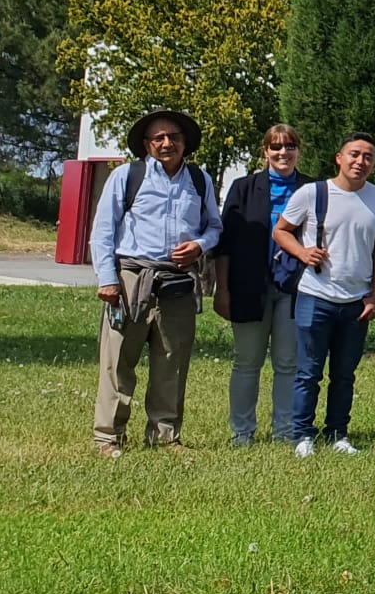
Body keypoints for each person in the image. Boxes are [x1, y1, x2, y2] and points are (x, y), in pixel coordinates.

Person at [89, 109, 223, 456]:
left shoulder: (199, 180)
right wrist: (108, 280)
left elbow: (214, 227)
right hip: (131, 278)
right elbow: (103, 231)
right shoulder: (126, 177)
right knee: (118, 360)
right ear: (147, 145)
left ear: (185, 143)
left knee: (172, 362)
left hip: (178, 283)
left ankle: (164, 438)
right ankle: (109, 437)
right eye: (158, 138)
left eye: (174, 137)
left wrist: (199, 245)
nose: (167, 143)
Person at [274, 133, 375, 458]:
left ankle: (338, 433)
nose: (361, 162)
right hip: (315, 295)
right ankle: (303, 435)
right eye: (354, 154)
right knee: (308, 371)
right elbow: (281, 230)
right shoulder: (312, 193)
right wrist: (302, 253)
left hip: (357, 301)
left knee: (344, 374)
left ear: (374, 164)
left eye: (368, 157)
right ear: (338, 158)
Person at [213, 124, 313, 447]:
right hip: (248, 286)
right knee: (247, 361)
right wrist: (222, 289)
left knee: (288, 362)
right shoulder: (243, 188)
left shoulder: (312, 189)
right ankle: (242, 432)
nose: (283, 153)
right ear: (265, 152)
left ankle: (284, 432)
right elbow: (225, 243)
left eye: (290, 147)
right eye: (276, 147)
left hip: (295, 289)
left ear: (299, 151)